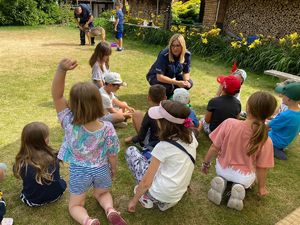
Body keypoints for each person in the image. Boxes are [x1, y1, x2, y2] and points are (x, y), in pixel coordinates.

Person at [52, 59, 127, 225]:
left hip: (79, 171)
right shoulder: (107, 127)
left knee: (76, 205)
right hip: (101, 169)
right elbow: (112, 153)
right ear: (98, 103)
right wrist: (113, 168)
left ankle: (88, 221)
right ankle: (110, 210)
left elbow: (57, 95)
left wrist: (61, 69)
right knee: (103, 193)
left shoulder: (68, 122)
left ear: (72, 104)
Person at [201, 91, 277, 211]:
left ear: (248, 107)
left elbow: (214, 147)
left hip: (222, 169)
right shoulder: (266, 140)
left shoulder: (229, 123)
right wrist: (261, 187)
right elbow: (262, 168)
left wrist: (206, 163)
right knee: (249, 179)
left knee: (224, 173)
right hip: (244, 177)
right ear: (269, 115)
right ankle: (239, 186)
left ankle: (223, 181)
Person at [126, 100, 198, 212]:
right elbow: (187, 163)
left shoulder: (163, 146)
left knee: (131, 151)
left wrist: (133, 201)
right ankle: (165, 202)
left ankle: (147, 197)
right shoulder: (191, 137)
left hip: (159, 193)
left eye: (158, 119)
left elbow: (146, 182)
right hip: (177, 194)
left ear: (164, 123)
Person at [13, 122, 67, 207]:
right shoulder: (54, 156)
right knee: (59, 178)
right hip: (57, 195)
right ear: (45, 141)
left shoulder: (21, 163)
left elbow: (20, 175)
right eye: (48, 137)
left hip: (34, 201)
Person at [146, 34, 193, 98]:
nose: (175, 48)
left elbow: (186, 72)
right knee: (168, 88)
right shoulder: (164, 54)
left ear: (182, 46)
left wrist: (186, 82)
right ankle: (159, 93)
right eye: (172, 45)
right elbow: (159, 77)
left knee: (190, 83)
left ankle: (175, 95)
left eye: (178, 46)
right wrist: (177, 83)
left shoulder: (187, 54)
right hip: (155, 76)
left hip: (172, 76)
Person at [268, 82, 300, 160]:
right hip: (284, 142)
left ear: (289, 99)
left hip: (274, 140)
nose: (281, 96)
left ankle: (272, 148)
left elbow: (267, 126)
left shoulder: (286, 115)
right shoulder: (297, 113)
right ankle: (277, 149)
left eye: (283, 95)